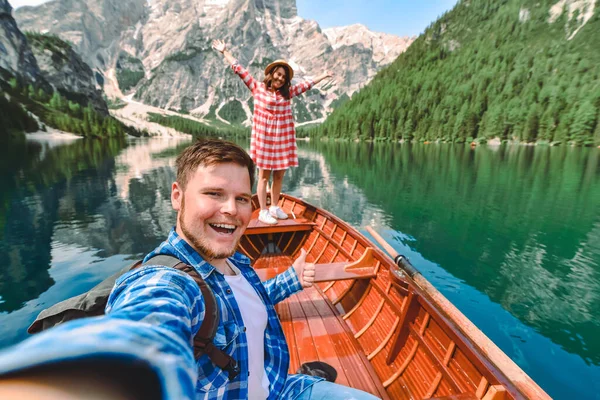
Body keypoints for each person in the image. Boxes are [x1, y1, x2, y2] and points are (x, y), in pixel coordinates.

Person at [0, 139, 378, 400]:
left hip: (281, 388)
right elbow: (145, 336)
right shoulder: (165, 282)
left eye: (243, 198)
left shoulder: (235, 262)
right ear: (177, 196)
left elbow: (247, 303)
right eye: (214, 194)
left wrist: (292, 280)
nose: (232, 209)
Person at [212, 39, 333, 225]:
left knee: (279, 176)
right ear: (271, 74)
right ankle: (263, 211)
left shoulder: (288, 93)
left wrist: (323, 75)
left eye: (284, 77)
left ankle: (275, 206)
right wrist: (225, 51)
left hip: (283, 139)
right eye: (278, 74)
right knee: (263, 177)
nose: (280, 79)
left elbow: (306, 85)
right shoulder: (257, 88)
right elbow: (239, 69)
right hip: (265, 140)